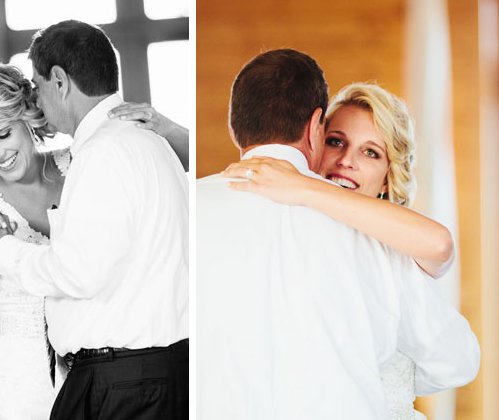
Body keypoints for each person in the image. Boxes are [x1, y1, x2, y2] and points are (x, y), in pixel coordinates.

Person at [197, 49, 480, 419]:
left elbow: (456, 356)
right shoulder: (371, 250)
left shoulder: (388, 244)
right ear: (316, 134)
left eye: (371, 153)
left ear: (388, 177)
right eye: (336, 141)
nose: (347, 161)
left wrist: (304, 187)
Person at [0, 60, 188, 420]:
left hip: (104, 373)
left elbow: (181, 163)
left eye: (3, 134)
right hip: (24, 383)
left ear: (26, 117)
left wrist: (166, 127)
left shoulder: (82, 163)